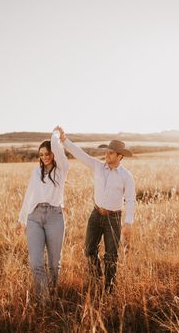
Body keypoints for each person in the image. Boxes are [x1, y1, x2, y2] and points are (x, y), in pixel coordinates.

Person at [59, 127, 136, 293]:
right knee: (89, 250)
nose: (106, 155)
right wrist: (65, 140)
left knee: (111, 256)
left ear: (119, 156)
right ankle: (96, 278)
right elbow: (80, 155)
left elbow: (130, 199)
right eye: (107, 152)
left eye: (110, 153)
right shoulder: (98, 167)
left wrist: (128, 222)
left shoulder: (126, 176)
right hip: (96, 214)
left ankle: (109, 289)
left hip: (113, 218)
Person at [15, 126, 69, 301]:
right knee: (36, 263)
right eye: (41, 155)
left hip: (55, 217)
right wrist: (21, 219)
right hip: (35, 218)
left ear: (54, 153)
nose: (44, 157)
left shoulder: (62, 168)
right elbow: (29, 194)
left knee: (54, 264)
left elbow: (55, 143)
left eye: (48, 153)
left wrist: (56, 134)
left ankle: (52, 294)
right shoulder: (36, 171)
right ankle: (45, 300)